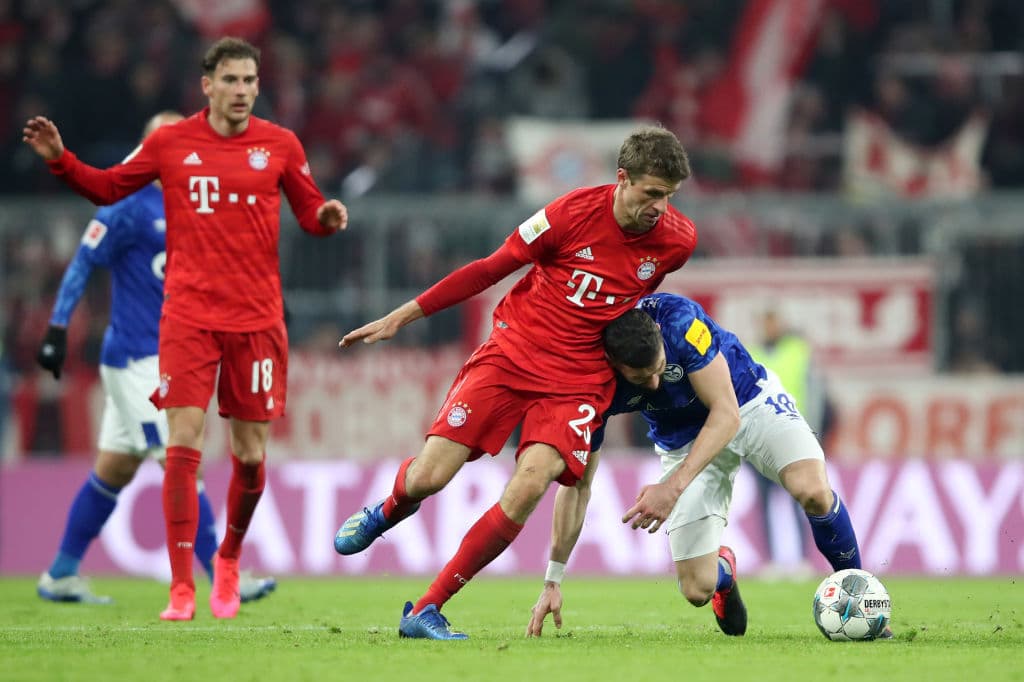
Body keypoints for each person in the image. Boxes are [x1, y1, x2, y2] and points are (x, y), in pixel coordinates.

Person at [23, 37, 348, 621]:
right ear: (207, 84)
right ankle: (182, 590)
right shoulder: (169, 146)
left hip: (256, 320)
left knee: (248, 458)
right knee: (181, 447)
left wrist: (325, 220)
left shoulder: (280, 144)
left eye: (251, 80)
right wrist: (59, 159)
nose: (243, 91)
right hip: (185, 321)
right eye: (232, 80)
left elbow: (308, 211)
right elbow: (104, 188)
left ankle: (225, 558)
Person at [334, 126, 696, 639]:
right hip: (512, 353)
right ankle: (390, 508)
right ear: (622, 179)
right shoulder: (567, 216)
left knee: (530, 483)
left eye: (670, 197)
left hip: (578, 380)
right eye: (652, 193)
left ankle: (427, 609)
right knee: (430, 477)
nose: (661, 207)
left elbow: (629, 299)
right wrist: (403, 316)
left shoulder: (677, 242)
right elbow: (488, 269)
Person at [34, 111, 277, 606]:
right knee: (180, 457)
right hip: (138, 358)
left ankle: (60, 573)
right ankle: (222, 576)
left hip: (175, 349)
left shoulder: (196, 200)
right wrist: (58, 328)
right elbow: (84, 261)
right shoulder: (126, 203)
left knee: (116, 468)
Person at [525, 294, 864, 638]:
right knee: (696, 589)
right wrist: (553, 579)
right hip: (682, 440)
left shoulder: (680, 322)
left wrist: (672, 489)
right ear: (614, 364)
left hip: (746, 401)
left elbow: (727, 413)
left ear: (658, 336)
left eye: (659, 369)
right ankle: (724, 574)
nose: (655, 384)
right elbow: (578, 484)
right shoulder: (592, 384)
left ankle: (861, 596)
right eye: (642, 380)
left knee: (813, 491)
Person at [747, 309, 831, 579]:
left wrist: (814, 435)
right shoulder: (750, 353)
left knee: (802, 499)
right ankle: (772, 560)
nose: (769, 327)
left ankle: (803, 560)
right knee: (766, 503)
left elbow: (814, 392)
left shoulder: (798, 350)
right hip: (761, 441)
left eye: (773, 322)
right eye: (766, 322)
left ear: (780, 324)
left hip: (795, 437)